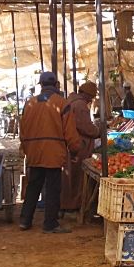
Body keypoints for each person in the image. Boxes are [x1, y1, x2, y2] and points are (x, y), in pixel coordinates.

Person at [18, 72, 81, 234]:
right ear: (56, 85)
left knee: (33, 186)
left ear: (41, 85)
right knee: (53, 188)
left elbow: (22, 130)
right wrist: (75, 151)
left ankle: (25, 220)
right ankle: (50, 223)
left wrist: (25, 149)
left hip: (34, 152)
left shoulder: (30, 103)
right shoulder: (62, 103)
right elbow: (70, 133)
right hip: (53, 152)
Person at [60, 81, 103, 216]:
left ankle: (68, 204)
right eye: (90, 96)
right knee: (76, 176)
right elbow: (85, 127)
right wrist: (98, 131)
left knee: (71, 176)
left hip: (72, 144)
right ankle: (73, 204)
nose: (91, 100)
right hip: (78, 145)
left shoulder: (72, 101)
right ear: (85, 94)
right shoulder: (80, 105)